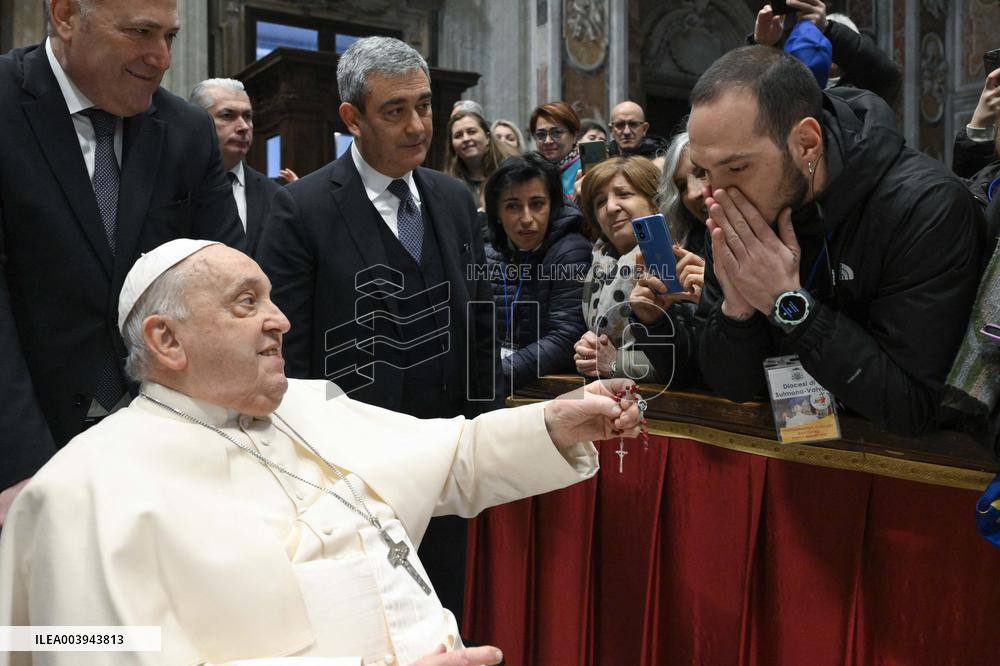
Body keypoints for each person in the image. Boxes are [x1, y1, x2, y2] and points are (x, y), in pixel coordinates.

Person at [0, 238, 643, 666]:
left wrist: (557, 422)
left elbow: (454, 454)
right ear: (166, 340)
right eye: (247, 303)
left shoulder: (308, 406)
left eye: (273, 299)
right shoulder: (81, 491)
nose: (280, 319)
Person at [256, 36, 500, 627]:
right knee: (365, 624)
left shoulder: (451, 198)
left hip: (449, 462)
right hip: (351, 473)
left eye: (424, 105)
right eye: (396, 110)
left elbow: (481, 319)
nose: (418, 125)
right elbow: (287, 353)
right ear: (352, 119)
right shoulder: (302, 209)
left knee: (443, 617)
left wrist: (485, 428)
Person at [0, 0, 243, 523]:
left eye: (170, 37)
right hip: (26, 444)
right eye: (140, 33)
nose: (160, 58)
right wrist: (16, 462)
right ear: (65, 16)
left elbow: (227, 281)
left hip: (166, 448)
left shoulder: (186, 131)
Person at [690, 45, 984, 436]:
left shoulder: (926, 205)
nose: (716, 193)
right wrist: (738, 311)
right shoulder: (738, 212)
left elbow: (917, 406)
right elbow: (731, 385)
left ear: (807, 143)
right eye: (703, 171)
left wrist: (788, 305)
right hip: (794, 468)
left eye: (737, 167)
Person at [573, 157, 701, 384]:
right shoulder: (596, 262)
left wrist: (615, 363)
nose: (611, 208)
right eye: (600, 202)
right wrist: (587, 351)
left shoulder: (679, 257)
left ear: (655, 200)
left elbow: (689, 361)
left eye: (624, 194)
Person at [483, 153, 592, 392]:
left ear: (552, 206)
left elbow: (565, 339)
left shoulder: (570, 251)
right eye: (513, 206)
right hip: (500, 383)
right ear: (497, 214)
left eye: (537, 204)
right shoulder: (489, 253)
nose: (526, 218)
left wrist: (494, 375)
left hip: (549, 390)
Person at [190, 77, 281, 255]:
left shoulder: (275, 195)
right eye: (227, 115)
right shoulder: (170, 182)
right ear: (196, 121)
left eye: (248, 116)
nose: (243, 126)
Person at [751, 1, 902, 106]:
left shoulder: (867, 94)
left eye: (833, 44)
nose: (823, 45)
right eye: (818, 37)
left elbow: (888, 77)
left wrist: (828, 29)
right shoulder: (790, 86)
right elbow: (751, 95)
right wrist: (762, 45)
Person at [445, 108, 517, 206]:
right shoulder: (447, 183)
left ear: (487, 137)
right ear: (452, 145)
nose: (465, 139)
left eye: (472, 131)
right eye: (458, 135)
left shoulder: (510, 171)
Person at [529, 101, 582, 199]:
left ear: (574, 135)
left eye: (556, 133)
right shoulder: (532, 170)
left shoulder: (586, 169)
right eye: (541, 135)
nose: (548, 141)